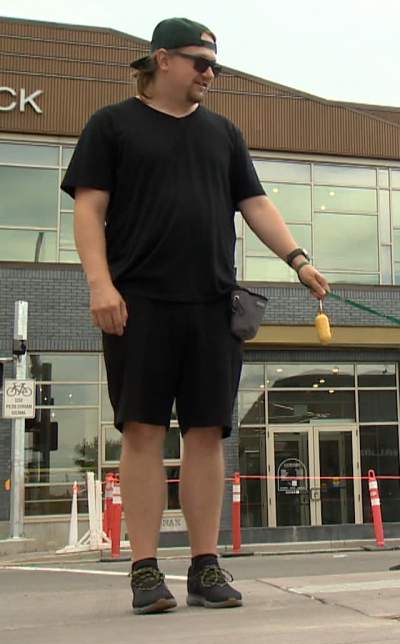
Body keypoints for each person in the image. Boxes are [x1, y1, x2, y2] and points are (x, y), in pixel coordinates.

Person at [61, 17, 330, 614]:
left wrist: (298, 260)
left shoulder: (223, 134)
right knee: (142, 431)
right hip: (138, 303)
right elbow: (89, 210)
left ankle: (206, 566)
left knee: (207, 432)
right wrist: (100, 285)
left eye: (216, 65)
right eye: (199, 62)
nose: (210, 74)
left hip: (212, 303)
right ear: (161, 60)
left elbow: (254, 202)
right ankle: (144, 569)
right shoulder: (111, 126)